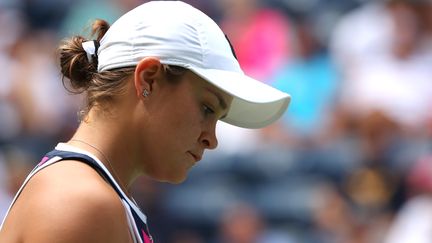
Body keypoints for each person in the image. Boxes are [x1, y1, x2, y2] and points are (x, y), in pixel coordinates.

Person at [0, 1, 290, 243]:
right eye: (206, 108)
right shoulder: (81, 202)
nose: (211, 140)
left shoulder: (89, 195)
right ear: (148, 79)